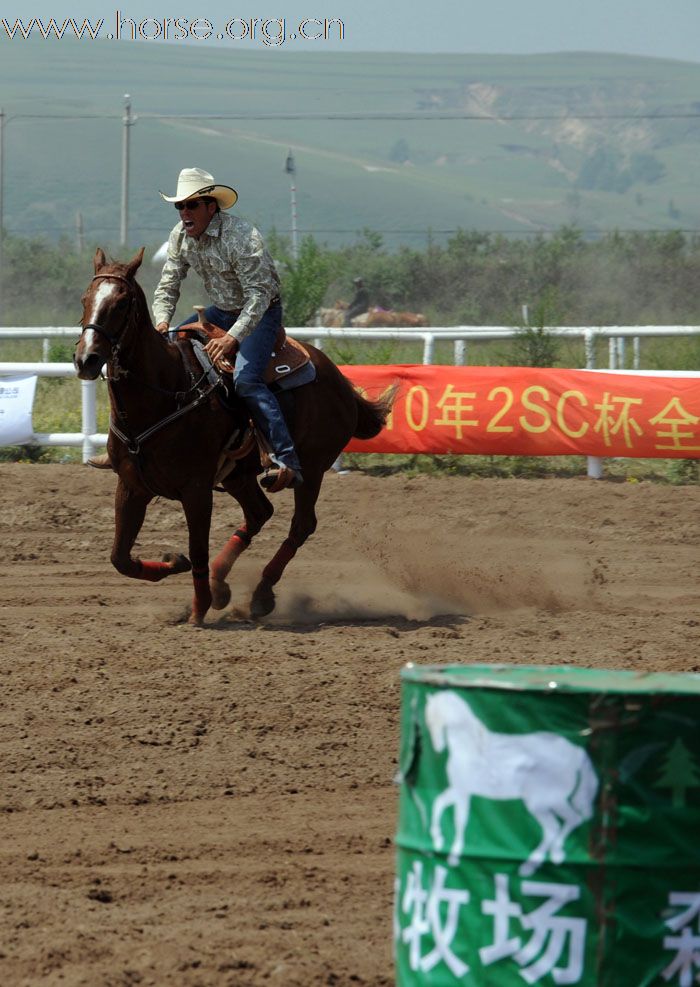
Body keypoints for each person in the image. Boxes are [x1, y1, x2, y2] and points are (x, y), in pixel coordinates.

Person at [89, 167, 302, 492]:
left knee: (246, 379)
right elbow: (168, 284)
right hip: (219, 311)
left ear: (210, 207)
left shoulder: (243, 237)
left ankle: (285, 459)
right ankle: (122, 448)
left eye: (191, 205)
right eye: (180, 206)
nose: (184, 212)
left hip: (259, 314)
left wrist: (232, 338)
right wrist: (162, 321)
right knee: (163, 359)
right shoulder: (179, 236)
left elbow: (259, 295)